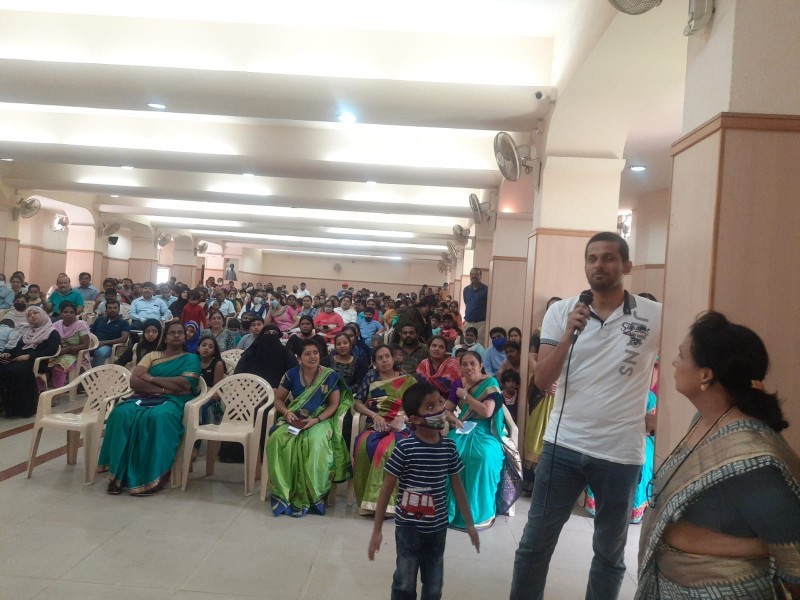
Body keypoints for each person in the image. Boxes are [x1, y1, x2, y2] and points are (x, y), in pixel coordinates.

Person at [510, 231, 661, 600]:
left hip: (620, 453)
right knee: (534, 544)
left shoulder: (654, 315)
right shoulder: (562, 312)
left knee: (609, 554)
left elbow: (680, 364)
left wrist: (662, 415)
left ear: (627, 265)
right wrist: (568, 335)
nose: (598, 265)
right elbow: (542, 380)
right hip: (563, 445)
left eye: (608, 257)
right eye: (592, 258)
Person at [637, 312, 800, 599]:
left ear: (706, 374)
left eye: (682, 356)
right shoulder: (705, 420)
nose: (674, 362)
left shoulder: (750, 459)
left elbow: (793, 558)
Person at [368, 382, 479, 600]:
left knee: (434, 585)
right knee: (404, 583)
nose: (439, 409)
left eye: (440, 402)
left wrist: (469, 524)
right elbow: (386, 489)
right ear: (415, 419)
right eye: (430, 407)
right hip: (408, 529)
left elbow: (457, 486)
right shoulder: (405, 448)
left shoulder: (449, 447)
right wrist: (377, 531)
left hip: (438, 528)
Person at [99, 321, 202, 495]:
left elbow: (184, 384)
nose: (177, 335)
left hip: (174, 401)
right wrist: (165, 389)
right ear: (165, 337)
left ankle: (152, 477)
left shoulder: (191, 359)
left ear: (185, 337)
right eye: (172, 333)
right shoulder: (152, 356)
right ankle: (118, 475)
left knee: (157, 417)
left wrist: (152, 379)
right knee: (121, 413)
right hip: (144, 397)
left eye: (180, 332)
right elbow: (134, 381)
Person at [265, 339, 352, 517]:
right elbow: (278, 400)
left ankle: (314, 496)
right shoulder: (291, 375)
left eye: (315, 353)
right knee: (277, 439)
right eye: (307, 354)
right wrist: (287, 412)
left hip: (320, 419)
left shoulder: (330, 376)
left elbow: (334, 405)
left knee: (313, 441)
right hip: (295, 417)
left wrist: (317, 419)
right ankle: (284, 492)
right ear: (299, 358)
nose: (313, 357)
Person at [445, 351, 507, 530]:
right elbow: (447, 410)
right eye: (464, 364)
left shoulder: (491, 384)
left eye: (472, 363)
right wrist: (454, 420)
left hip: (486, 430)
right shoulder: (458, 384)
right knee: (451, 453)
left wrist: (465, 396)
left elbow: (487, 412)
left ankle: (478, 512)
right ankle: (449, 510)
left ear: (481, 365)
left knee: (483, 457)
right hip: (463, 427)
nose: (468, 367)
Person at [353, 345, 417, 516]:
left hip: (401, 426)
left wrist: (403, 418)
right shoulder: (371, 376)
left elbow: (418, 406)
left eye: (387, 356)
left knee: (389, 448)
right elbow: (357, 403)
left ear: (393, 358)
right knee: (362, 445)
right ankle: (367, 502)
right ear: (374, 362)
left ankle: (391, 504)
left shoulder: (407, 379)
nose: (384, 360)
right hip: (376, 423)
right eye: (380, 358)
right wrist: (374, 416)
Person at [521, 296, 562, 494]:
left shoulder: (571, 334)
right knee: (535, 432)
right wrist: (545, 380)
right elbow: (531, 358)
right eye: (551, 309)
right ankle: (531, 481)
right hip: (540, 388)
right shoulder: (539, 332)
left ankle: (550, 483)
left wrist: (559, 383)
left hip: (561, 390)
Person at [0, 306, 61, 417]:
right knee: (3, 368)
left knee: (15, 371)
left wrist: (29, 356)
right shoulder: (25, 331)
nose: (32, 316)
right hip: (19, 359)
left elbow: (51, 350)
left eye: (35, 313)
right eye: (29, 315)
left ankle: (22, 409)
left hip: (37, 361)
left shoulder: (52, 332)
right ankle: (5, 405)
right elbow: (17, 346)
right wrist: (8, 353)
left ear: (42, 314)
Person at [48, 302, 91, 388]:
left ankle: (57, 391)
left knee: (58, 368)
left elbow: (85, 345)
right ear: (61, 313)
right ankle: (44, 389)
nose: (68, 314)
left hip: (76, 354)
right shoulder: (57, 325)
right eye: (65, 312)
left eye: (71, 312)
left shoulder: (80, 325)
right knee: (42, 364)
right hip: (59, 352)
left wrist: (68, 349)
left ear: (75, 314)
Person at [415, 336, 461, 406]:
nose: (437, 349)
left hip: (450, 403)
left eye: (441, 347)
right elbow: (420, 386)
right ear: (428, 348)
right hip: (426, 402)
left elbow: (445, 384)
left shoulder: (452, 363)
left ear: (445, 350)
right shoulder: (423, 364)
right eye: (434, 346)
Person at [90, 299, 130, 367]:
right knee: (81, 349)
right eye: (110, 308)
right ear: (106, 310)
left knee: (100, 353)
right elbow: (91, 333)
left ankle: (97, 372)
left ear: (119, 309)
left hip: (109, 346)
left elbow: (124, 339)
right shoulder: (100, 320)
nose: (112, 310)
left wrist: (103, 343)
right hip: (95, 344)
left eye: (115, 308)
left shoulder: (124, 322)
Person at [463, 268, 488, 344]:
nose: (474, 276)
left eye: (476, 274)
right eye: (472, 274)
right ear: (470, 276)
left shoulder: (486, 289)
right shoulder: (466, 290)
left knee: (479, 344)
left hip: (481, 323)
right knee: (467, 344)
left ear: (480, 276)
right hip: (468, 322)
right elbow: (466, 303)